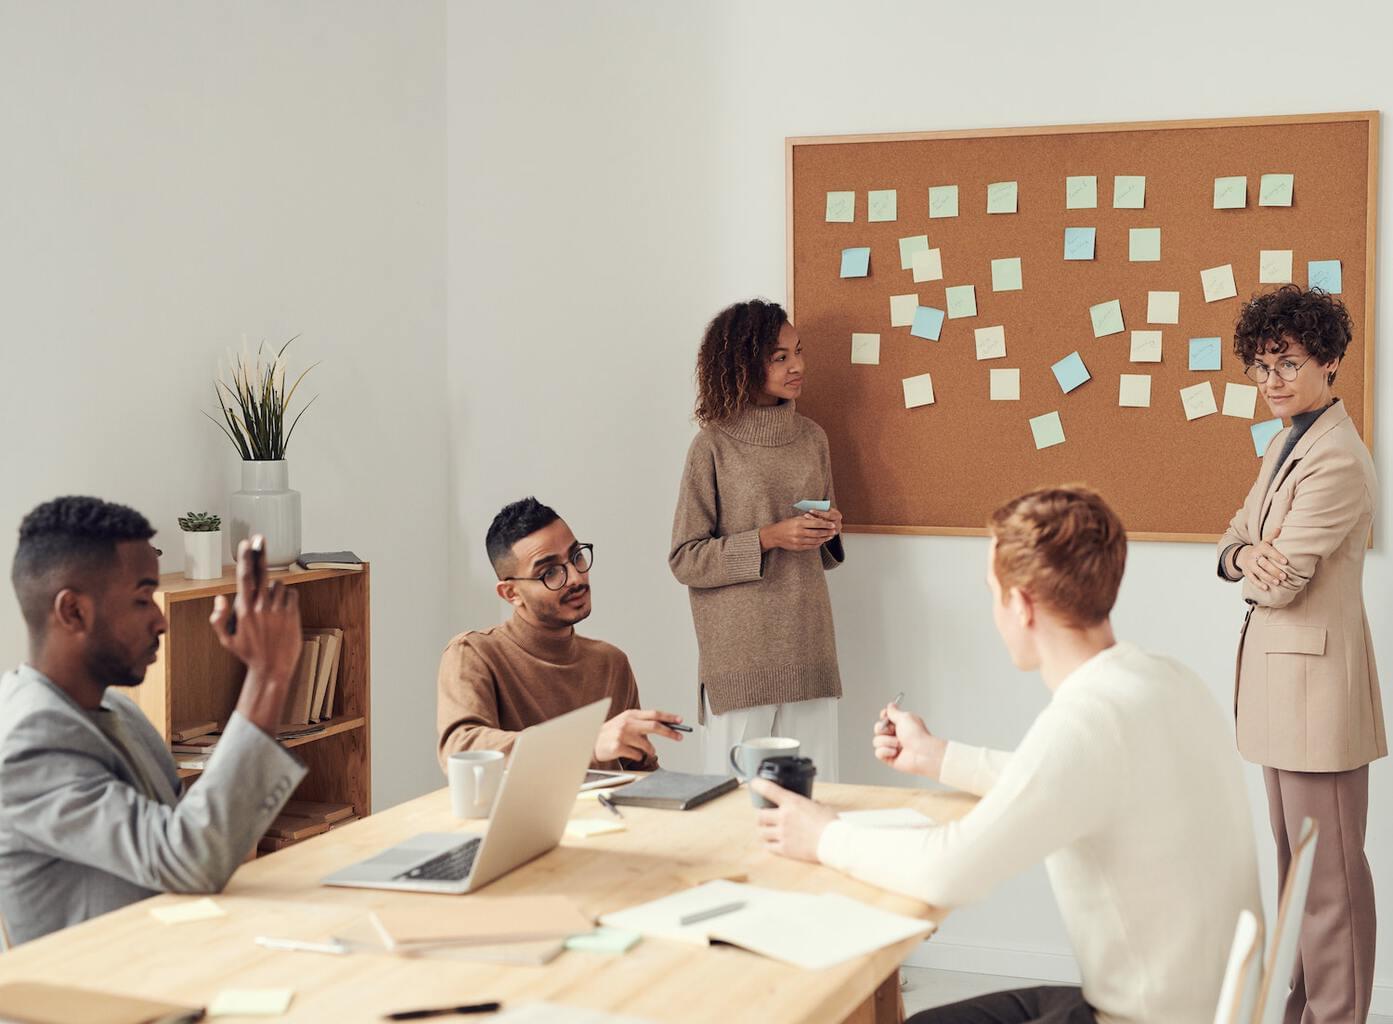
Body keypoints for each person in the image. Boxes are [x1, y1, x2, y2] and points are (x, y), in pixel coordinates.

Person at [754, 486, 1261, 1024]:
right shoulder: (1164, 679)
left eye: (994, 593)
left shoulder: (1088, 720)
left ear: (1021, 604)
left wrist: (824, 836)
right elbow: (1064, 781)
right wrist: (938, 757)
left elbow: (948, 870)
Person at [0, 497, 307, 945]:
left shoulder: (119, 710)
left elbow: (202, 838)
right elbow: (190, 857)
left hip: (175, 964)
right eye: (143, 599)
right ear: (73, 612)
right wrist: (268, 675)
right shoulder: (29, 740)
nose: (161, 620)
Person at [1217, 284, 1383, 1023]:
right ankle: (1302, 1015)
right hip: (1282, 697)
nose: (1271, 382)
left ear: (1330, 360)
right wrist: (1244, 554)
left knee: (1330, 891)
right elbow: (1234, 537)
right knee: (1300, 880)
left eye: (1285, 363)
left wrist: (1252, 559)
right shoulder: (1289, 440)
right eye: (1259, 367)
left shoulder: (1337, 459)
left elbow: (1281, 585)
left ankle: (1335, 1017)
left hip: (1317, 698)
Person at [669, 299, 845, 779]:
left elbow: (822, 554)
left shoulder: (812, 438)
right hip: (740, 662)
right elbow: (686, 559)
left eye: (798, 352)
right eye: (779, 356)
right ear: (743, 363)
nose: (798, 366)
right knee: (734, 809)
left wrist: (827, 530)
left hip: (808, 647)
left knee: (816, 799)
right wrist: (770, 537)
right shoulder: (712, 445)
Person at [437, 496, 683, 772]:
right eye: (550, 572)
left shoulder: (611, 662)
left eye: (577, 557)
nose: (577, 578)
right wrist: (584, 744)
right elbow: (461, 749)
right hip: (521, 817)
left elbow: (641, 774)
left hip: (606, 814)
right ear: (511, 593)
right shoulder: (473, 653)